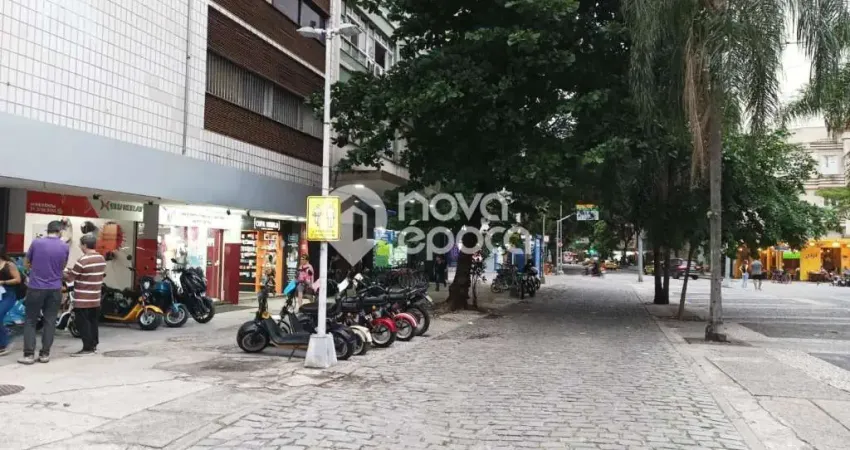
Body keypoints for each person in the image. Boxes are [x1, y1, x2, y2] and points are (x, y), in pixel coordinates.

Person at [20, 220, 70, 364]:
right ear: (60, 231)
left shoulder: (36, 243)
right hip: (55, 288)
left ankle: (29, 355)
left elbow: (26, 263)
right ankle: (45, 354)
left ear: (47, 230)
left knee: (30, 320)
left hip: (36, 287)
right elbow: (63, 265)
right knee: (50, 321)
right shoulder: (64, 246)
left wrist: (35, 269)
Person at [64, 234, 106, 356]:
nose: (80, 247)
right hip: (96, 298)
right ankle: (93, 345)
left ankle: (87, 348)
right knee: (93, 322)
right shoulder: (101, 259)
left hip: (83, 299)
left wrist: (62, 272)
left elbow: (71, 277)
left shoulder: (82, 260)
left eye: (81, 245)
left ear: (85, 245)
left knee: (83, 323)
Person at [0, 245, 23, 356]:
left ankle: (3, 344)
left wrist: (3, 282)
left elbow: (17, 279)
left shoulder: (9, 265)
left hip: (8, 294)